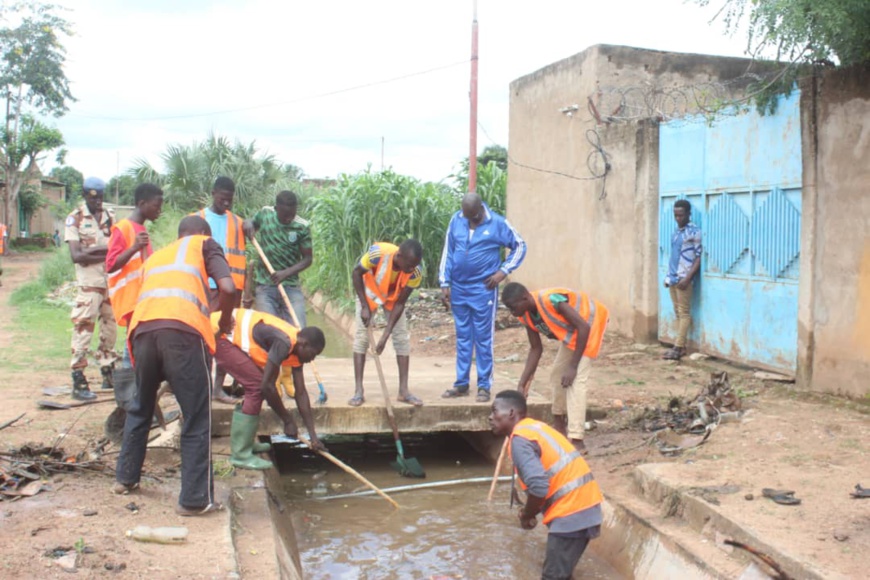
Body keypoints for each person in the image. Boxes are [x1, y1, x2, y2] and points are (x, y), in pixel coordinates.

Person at [114, 215, 235, 516]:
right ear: (203, 233)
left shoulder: (158, 257)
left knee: (141, 406)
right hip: (181, 334)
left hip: (142, 333)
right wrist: (228, 318)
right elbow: (229, 288)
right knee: (196, 414)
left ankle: (126, 478)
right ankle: (194, 500)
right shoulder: (205, 243)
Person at [489, 390, 603, 580]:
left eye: (494, 411)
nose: (490, 417)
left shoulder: (520, 440)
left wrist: (527, 514)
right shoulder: (534, 428)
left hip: (572, 511)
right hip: (583, 506)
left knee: (553, 576)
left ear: (511, 413)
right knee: (561, 574)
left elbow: (539, 486)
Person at [211, 308, 327, 470]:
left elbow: (301, 393)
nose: (312, 359)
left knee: (257, 385)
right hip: (219, 334)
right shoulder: (283, 342)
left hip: (227, 334)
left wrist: (313, 437)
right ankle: (240, 455)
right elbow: (267, 387)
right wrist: (288, 421)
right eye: (313, 354)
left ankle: (247, 442)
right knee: (257, 387)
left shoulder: (298, 352)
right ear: (304, 344)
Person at [501, 283, 609, 454]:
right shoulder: (525, 316)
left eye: (513, 307)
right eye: (509, 308)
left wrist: (573, 366)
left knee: (576, 381)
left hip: (590, 324)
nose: (512, 312)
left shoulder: (552, 300)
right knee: (556, 375)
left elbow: (584, 327)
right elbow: (535, 349)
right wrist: (522, 383)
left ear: (525, 297)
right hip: (574, 333)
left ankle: (577, 440)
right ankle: (559, 425)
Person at [439, 192, 526, 403]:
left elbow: (520, 246)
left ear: (480, 210)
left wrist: (503, 271)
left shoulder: (497, 223)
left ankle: (484, 385)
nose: (470, 221)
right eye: (466, 217)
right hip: (459, 288)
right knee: (463, 336)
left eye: (474, 217)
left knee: (483, 338)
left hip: (483, 289)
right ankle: (461, 383)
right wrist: (444, 282)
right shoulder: (456, 220)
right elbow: (448, 251)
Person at [348, 240, 424, 407]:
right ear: (399, 256)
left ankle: (403, 392)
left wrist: (385, 335)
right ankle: (358, 391)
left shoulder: (415, 273)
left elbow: (400, 303)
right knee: (362, 338)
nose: (412, 269)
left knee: (401, 339)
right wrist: (364, 307)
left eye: (415, 265)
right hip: (369, 294)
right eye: (410, 264)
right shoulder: (377, 255)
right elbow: (356, 273)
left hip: (393, 300)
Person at [65, 177, 117, 400]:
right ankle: (78, 378)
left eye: (101, 197)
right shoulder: (75, 218)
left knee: (110, 329)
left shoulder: (109, 217)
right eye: (93, 197)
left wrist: (93, 252)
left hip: (109, 283)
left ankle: (108, 371)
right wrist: (105, 251)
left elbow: (116, 249)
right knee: (83, 330)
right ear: (86, 195)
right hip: (89, 285)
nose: (98, 202)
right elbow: (77, 256)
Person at [195, 176, 246, 403]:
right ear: (214, 193)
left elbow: (244, 258)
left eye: (230, 200)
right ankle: (201, 386)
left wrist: (246, 293)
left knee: (225, 339)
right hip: (206, 288)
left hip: (232, 290)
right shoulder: (196, 220)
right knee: (203, 337)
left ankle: (218, 388)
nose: (226, 203)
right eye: (223, 198)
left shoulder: (239, 223)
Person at [106, 183, 164, 368]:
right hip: (130, 297)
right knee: (132, 342)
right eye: (156, 205)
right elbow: (110, 264)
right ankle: (129, 384)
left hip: (142, 297)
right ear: (142, 203)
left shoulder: (141, 229)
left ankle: (135, 384)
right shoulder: (122, 228)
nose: (159, 210)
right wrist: (133, 248)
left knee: (138, 341)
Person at [242, 190, 313, 326]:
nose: (289, 219)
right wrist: (248, 222)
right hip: (265, 286)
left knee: (299, 331)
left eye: (292, 215)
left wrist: (285, 273)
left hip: (291, 286)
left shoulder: (302, 226)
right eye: (285, 215)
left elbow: (308, 259)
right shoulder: (265, 214)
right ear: (276, 208)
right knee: (269, 329)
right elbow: (251, 223)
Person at [663, 199, 701, 361]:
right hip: (673, 277)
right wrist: (668, 276)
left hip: (684, 278)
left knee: (684, 313)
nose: (678, 218)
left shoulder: (694, 232)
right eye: (676, 215)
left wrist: (688, 278)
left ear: (688, 214)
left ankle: (678, 348)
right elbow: (674, 256)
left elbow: (698, 258)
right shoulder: (676, 232)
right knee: (677, 313)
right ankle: (680, 345)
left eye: (681, 215)